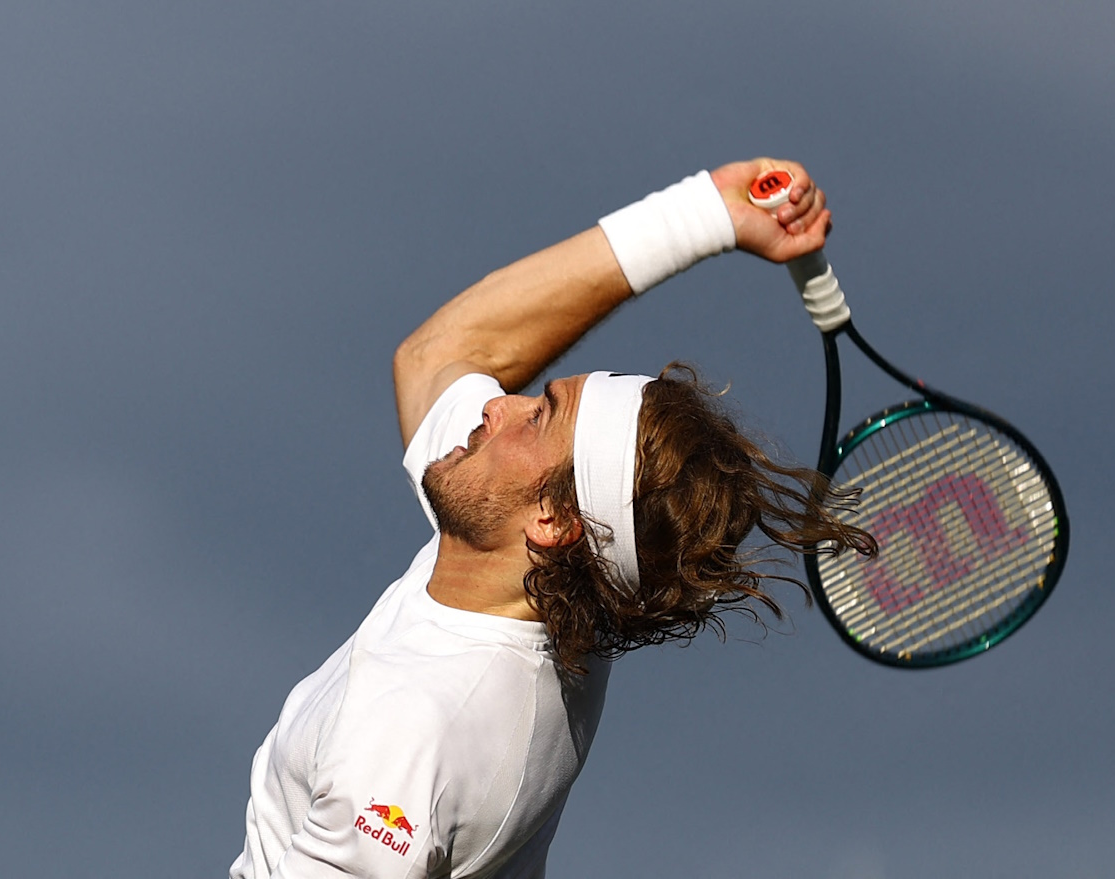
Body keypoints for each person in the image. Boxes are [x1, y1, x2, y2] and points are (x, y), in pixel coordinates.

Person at [229, 158, 875, 879]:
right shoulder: (563, 601)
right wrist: (703, 215)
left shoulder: (410, 727)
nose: (495, 403)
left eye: (539, 415)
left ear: (554, 518)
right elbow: (443, 354)